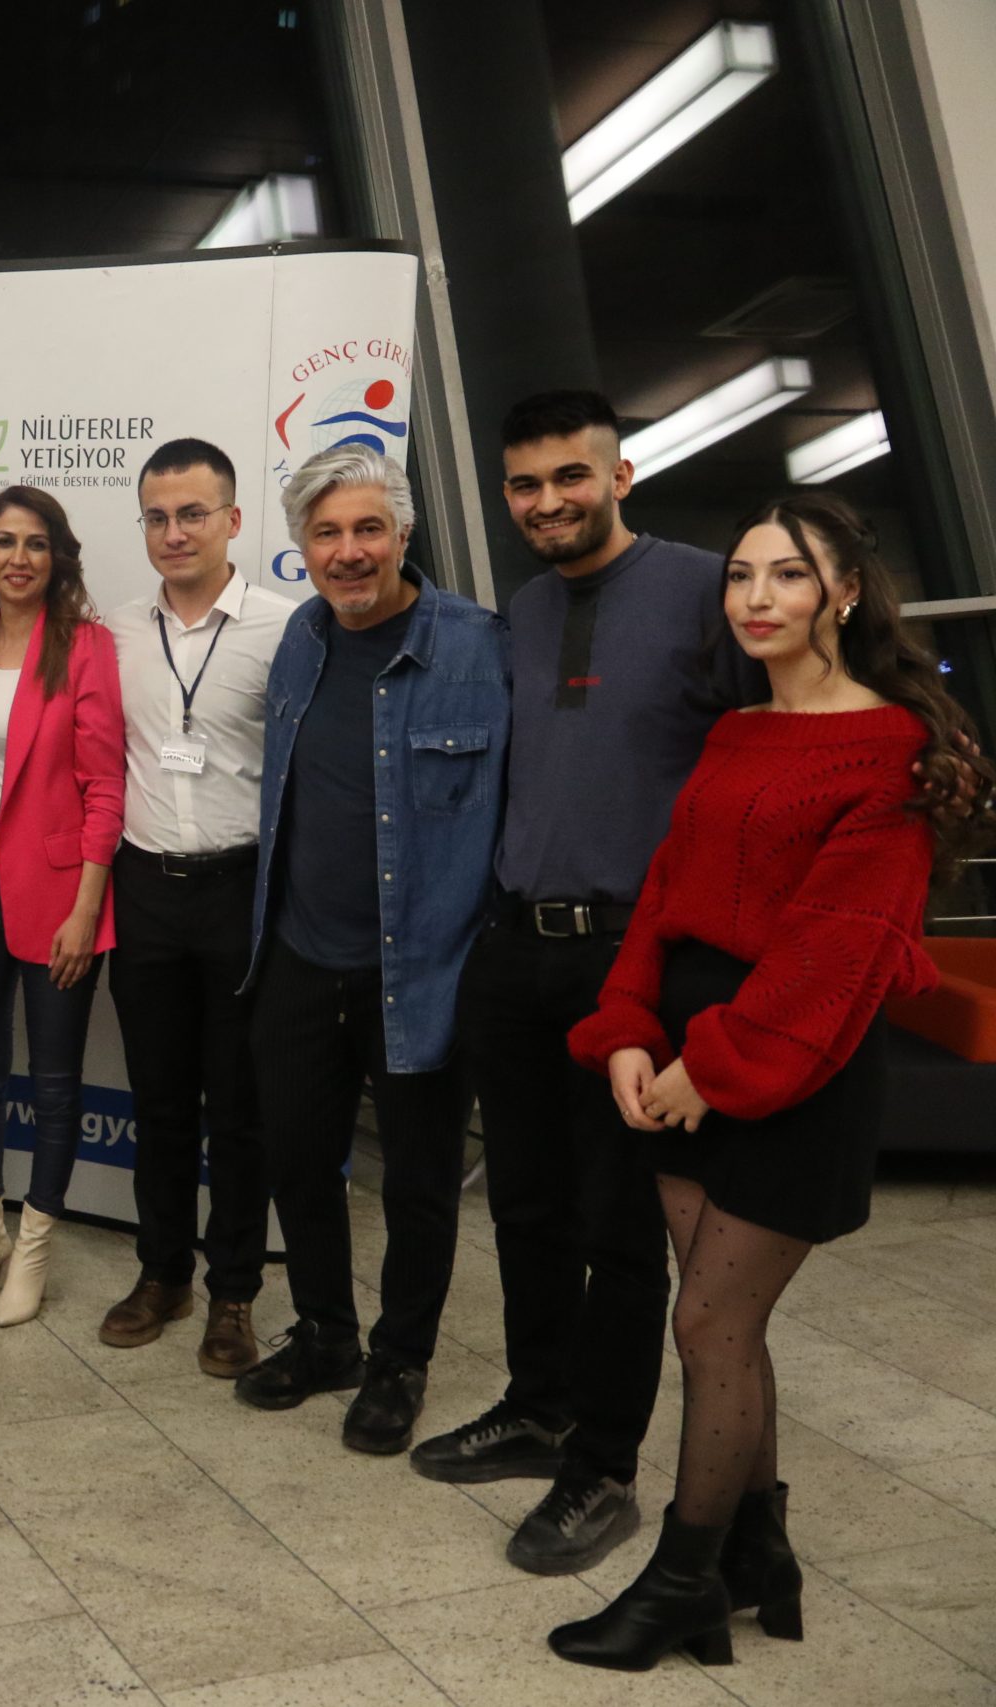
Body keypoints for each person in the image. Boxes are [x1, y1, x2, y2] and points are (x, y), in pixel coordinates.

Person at [546, 494, 989, 1671]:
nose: (755, 597)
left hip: (792, 1060)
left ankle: (680, 1582)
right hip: (682, 1045)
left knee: (706, 1320)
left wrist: (711, 1067)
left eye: (786, 575)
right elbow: (665, 890)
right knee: (726, 1330)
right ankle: (756, 1555)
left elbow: (837, 949)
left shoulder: (891, 748)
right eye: (740, 574)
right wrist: (626, 1027)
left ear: (841, 593)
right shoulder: (737, 730)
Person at [412, 392, 757, 1574]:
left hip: (636, 959)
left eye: (570, 476)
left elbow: (761, 768)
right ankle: (537, 1404)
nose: (546, 501)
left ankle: (602, 1467)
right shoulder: (519, 610)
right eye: (524, 484)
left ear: (621, 475)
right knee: (523, 1206)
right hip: (516, 948)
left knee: (619, 1229)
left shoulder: (708, 591)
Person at [237, 444, 507, 1455]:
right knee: (299, 1163)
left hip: (424, 968)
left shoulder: (478, 647)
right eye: (326, 533)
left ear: (401, 534)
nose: (347, 552)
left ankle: (399, 1362)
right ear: (302, 545)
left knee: (419, 1182)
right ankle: (325, 1336)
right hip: (299, 956)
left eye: (366, 529)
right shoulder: (301, 636)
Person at [99, 438, 297, 1375]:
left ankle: (235, 1293)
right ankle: (162, 1273)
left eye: (191, 514)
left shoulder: (285, 628)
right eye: (157, 516)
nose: (173, 532)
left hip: (241, 893)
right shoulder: (114, 632)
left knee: (240, 1107)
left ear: (232, 520)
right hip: (145, 890)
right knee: (160, 1099)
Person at [0, 485, 122, 1326]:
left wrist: (87, 908)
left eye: (36, 543)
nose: (19, 558)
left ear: (57, 558)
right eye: (4, 542)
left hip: (56, 889)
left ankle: (34, 1249)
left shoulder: (85, 647)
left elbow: (105, 788)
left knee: (52, 1081)